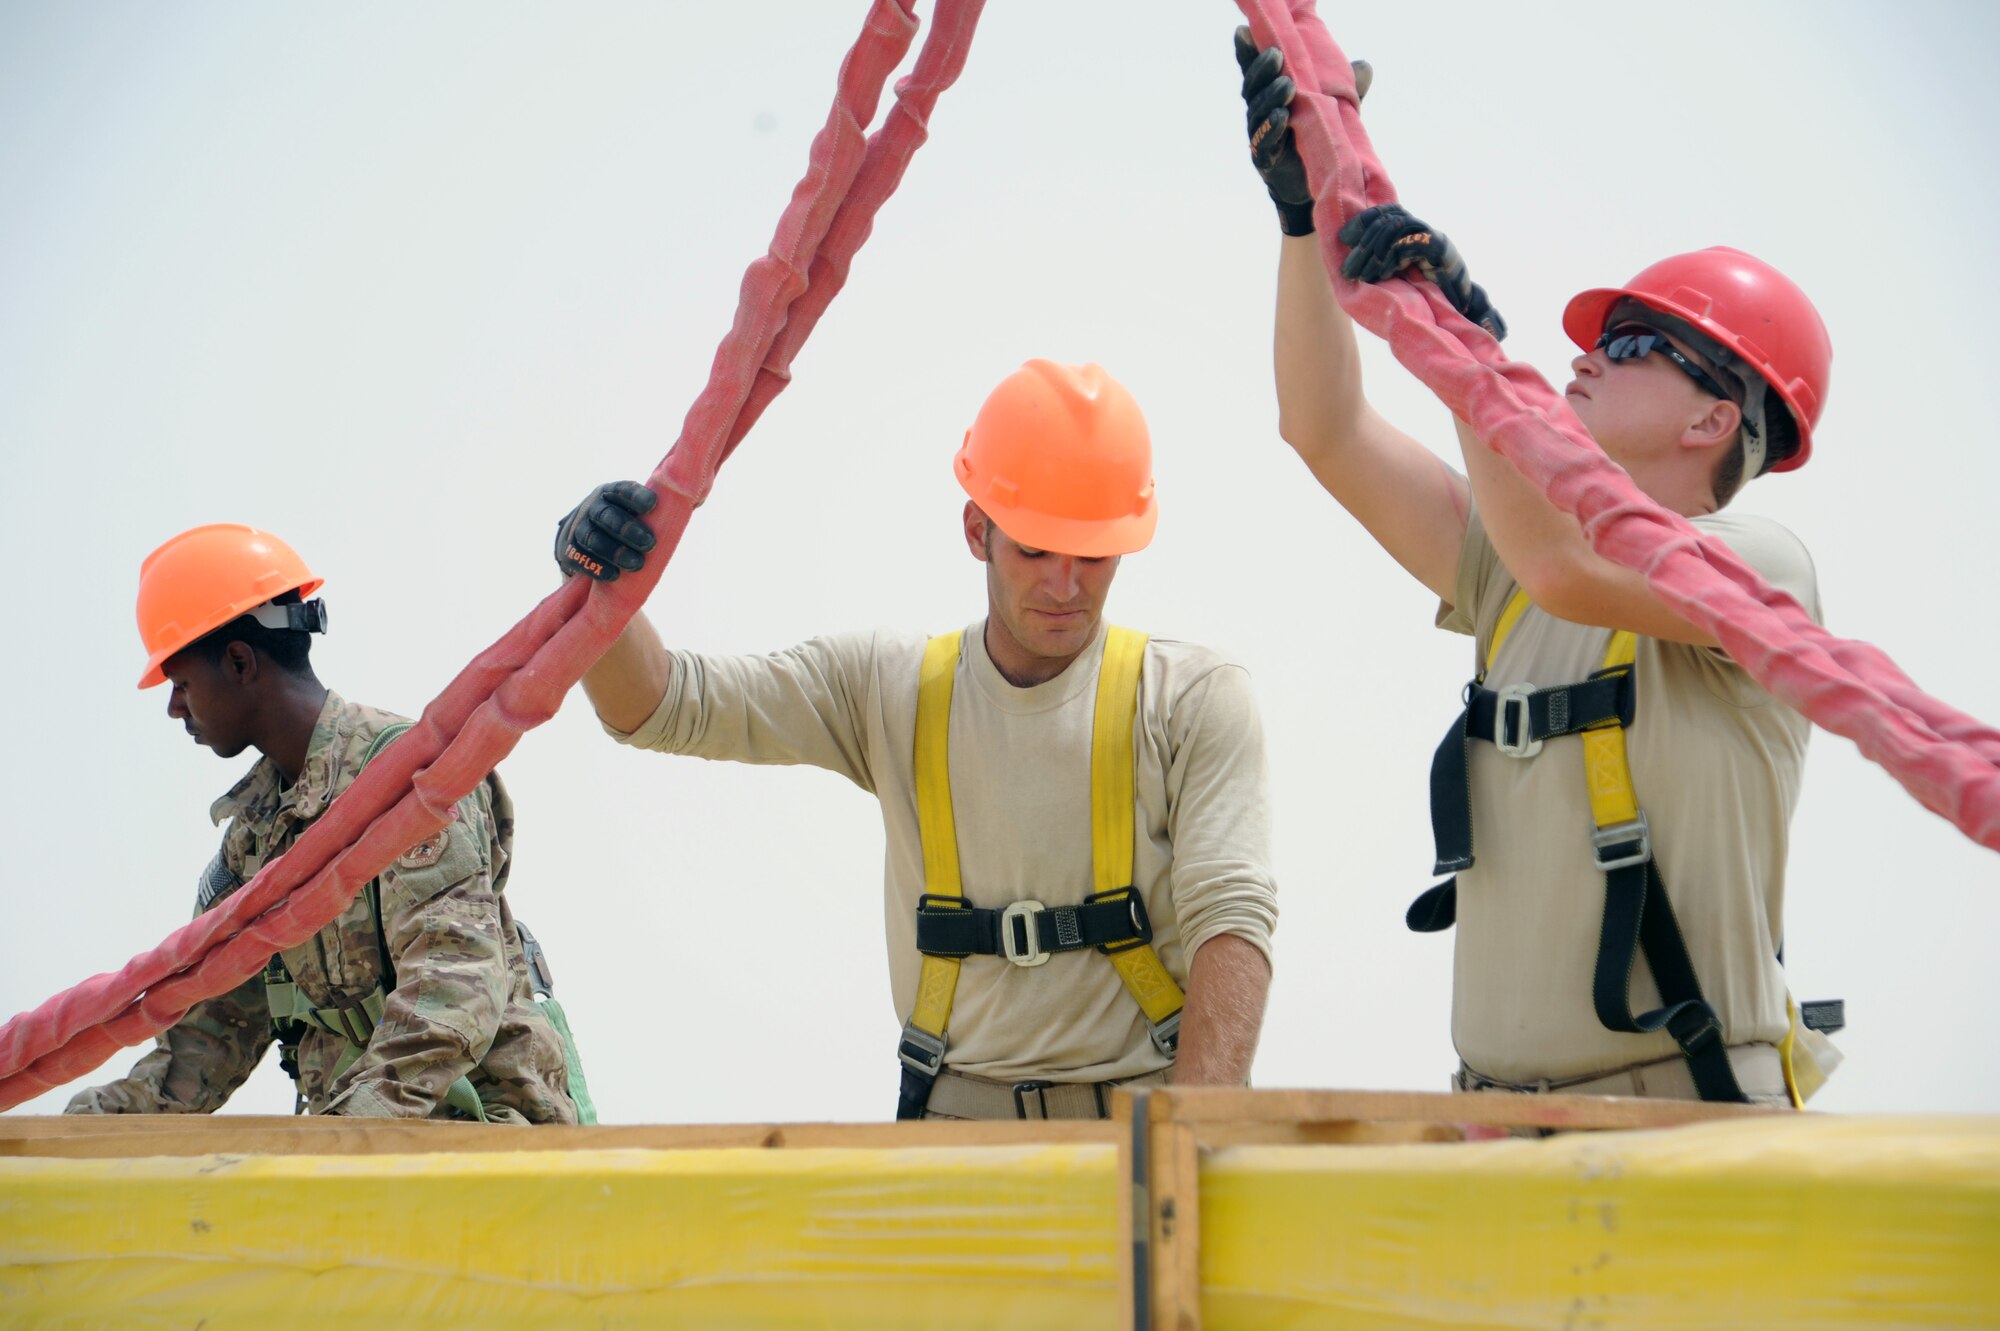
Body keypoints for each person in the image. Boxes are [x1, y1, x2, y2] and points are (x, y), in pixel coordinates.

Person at [1234, 31, 1841, 1106]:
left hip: (1683, 1119)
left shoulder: (1761, 572)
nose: (1584, 355)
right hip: (1501, 1126)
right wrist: (1301, 220)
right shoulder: (1513, 565)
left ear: (1715, 415)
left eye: (1635, 341)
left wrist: (1466, 346)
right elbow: (1320, 428)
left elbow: (1567, 567)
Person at [556, 360, 1277, 1120]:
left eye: (1092, 553)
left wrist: (1189, 1145)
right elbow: (663, 705)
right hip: (955, 1135)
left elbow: (1231, 923)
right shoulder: (891, 690)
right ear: (978, 531)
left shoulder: (1191, 699)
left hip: (1143, 1124)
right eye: (1035, 549)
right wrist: (597, 584)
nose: (1067, 585)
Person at [68, 524, 580, 1122]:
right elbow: (213, 1031)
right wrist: (91, 1128)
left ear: (238, 661)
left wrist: (345, 1133)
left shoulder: (406, 784)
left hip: (490, 1142)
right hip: (361, 1158)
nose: (174, 707)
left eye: (181, 683)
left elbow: (456, 983)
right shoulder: (251, 847)